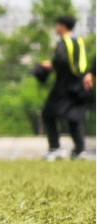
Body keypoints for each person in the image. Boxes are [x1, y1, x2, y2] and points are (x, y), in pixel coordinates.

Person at [33, 16, 95, 160]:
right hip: (80, 85)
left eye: (57, 25)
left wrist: (51, 65)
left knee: (48, 114)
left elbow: (62, 60)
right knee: (75, 118)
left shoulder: (64, 42)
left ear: (62, 26)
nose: (56, 28)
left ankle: (55, 148)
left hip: (65, 86)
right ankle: (80, 151)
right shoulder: (79, 40)